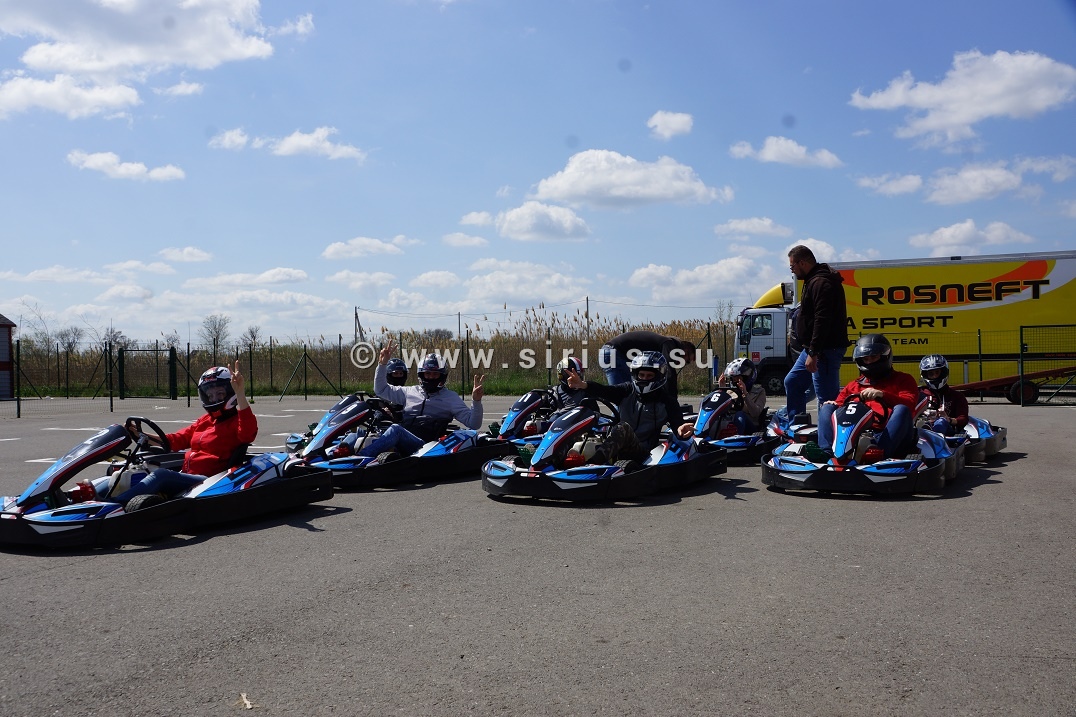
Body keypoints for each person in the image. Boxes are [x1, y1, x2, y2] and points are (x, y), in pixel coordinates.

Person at [114, 361, 258, 503]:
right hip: (188, 474)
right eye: (210, 395)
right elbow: (176, 440)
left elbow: (248, 434)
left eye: (220, 393)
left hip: (210, 480)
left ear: (231, 393)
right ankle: (101, 499)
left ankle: (117, 504)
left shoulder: (237, 421)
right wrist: (141, 435)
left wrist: (240, 394)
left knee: (161, 476)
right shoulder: (206, 420)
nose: (214, 398)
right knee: (130, 471)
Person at [351, 340, 484, 459]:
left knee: (396, 429)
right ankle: (340, 455)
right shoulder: (410, 392)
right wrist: (382, 364)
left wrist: (476, 401)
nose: (431, 377)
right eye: (428, 373)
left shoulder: (450, 398)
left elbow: (474, 423)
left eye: (435, 374)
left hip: (426, 446)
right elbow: (381, 390)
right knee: (359, 433)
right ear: (421, 375)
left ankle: (359, 458)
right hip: (404, 438)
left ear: (442, 376)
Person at [565, 351, 694, 464]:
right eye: (642, 375)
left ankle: (592, 464)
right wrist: (583, 385)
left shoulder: (667, 401)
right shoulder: (627, 390)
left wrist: (680, 429)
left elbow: (678, 424)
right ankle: (562, 458)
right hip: (618, 446)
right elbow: (605, 390)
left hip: (645, 453)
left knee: (623, 427)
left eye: (649, 376)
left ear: (659, 376)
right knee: (588, 421)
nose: (644, 379)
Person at [817, 334, 918, 459]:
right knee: (827, 407)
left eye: (873, 357)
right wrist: (833, 405)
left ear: (885, 356)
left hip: (887, 434)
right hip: (854, 434)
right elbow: (839, 404)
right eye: (866, 359)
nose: (869, 362)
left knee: (902, 409)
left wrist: (882, 395)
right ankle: (826, 453)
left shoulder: (903, 380)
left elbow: (910, 404)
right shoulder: (854, 385)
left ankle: (880, 454)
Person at [783, 245, 849, 418]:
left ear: (802, 263)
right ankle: (797, 425)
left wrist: (814, 352)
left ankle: (827, 434)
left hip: (824, 350)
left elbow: (822, 319)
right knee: (793, 382)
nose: (792, 270)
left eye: (792, 266)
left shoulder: (821, 283)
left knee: (826, 399)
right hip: (813, 349)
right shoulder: (813, 280)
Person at [599, 330, 696, 398]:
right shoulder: (669, 344)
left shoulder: (662, 343)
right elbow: (669, 374)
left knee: (628, 395)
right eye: (687, 361)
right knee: (624, 397)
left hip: (610, 352)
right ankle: (618, 422)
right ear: (685, 351)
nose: (684, 364)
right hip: (614, 353)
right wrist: (672, 400)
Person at [919, 354, 970, 436]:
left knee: (941, 422)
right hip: (921, 432)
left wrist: (948, 419)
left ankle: (934, 433)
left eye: (937, 372)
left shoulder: (957, 396)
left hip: (947, 434)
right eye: (931, 374)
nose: (934, 376)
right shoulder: (919, 394)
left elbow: (963, 419)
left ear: (943, 372)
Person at [717, 357, 767, 435]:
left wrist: (745, 394)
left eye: (738, 378)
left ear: (747, 378)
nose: (735, 381)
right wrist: (721, 390)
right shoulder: (729, 392)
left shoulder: (759, 392)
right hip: (729, 423)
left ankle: (736, 437)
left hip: (751, 427)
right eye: (733, 379)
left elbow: (755, 413)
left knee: (740, 415)